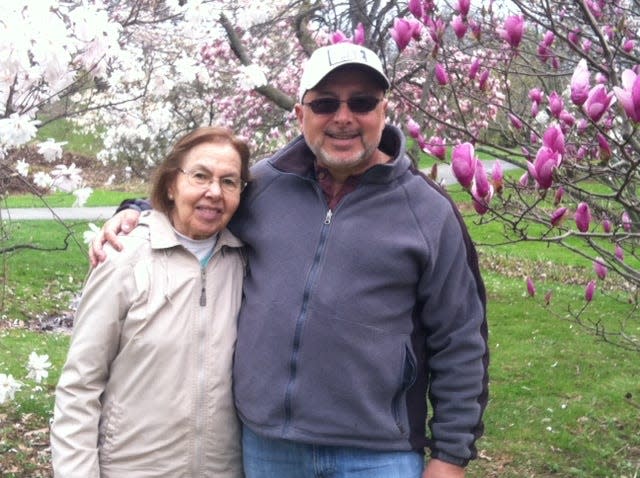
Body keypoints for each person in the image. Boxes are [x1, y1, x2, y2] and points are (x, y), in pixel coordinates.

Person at [91, 43, 489, 478]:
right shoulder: (264, 185)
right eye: (324, 104)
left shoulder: (428, 212)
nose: (343, 117)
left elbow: (461, 340)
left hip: (378, 453)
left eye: (361, 102)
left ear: (383, 110)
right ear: (301, 115)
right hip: (268, 448)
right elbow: (202, 206)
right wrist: (135, 211)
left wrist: (449, 456)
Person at [51, 126, 251, 477]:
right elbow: (80, 386)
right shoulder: (123, 258)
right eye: (200, 176)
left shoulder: (247, 262)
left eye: (229, 182)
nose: (214, 192)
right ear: (172, 184)